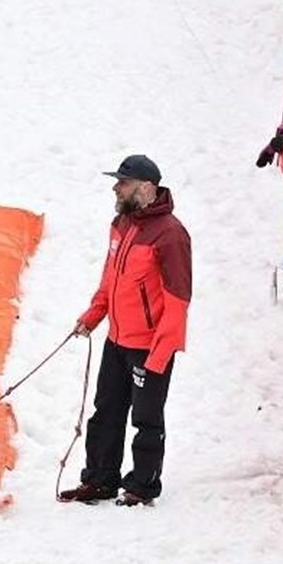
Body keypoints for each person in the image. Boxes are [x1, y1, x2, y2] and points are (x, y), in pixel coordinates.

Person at [63, 154, 191, 507]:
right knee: (105, 411)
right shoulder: (121, 223)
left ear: (146, 188)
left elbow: (178, 301)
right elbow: (111, 278)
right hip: (117, 340)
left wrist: (160, 354)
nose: (116, 188)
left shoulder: (171, 235)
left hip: (150, 346)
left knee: (146, 418)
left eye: (123, 182)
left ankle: (142, 486)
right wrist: (93, 315)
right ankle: (99, 480)